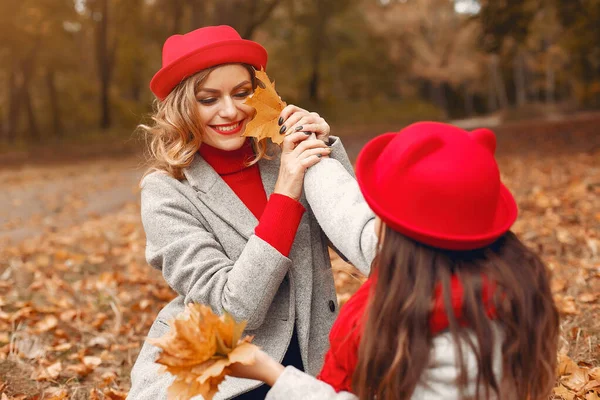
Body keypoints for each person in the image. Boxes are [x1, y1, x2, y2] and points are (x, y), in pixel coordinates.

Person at [127, 25, 375, 399]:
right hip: (226, 370)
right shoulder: (166, 191)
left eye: (242, 93)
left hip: (314, 355)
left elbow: (360, 245)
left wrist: (326, 153)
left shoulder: (284, 154)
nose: (231, 111)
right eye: (209, 99)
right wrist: (287, 190)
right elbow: (234, 313)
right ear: (181, 106)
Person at [230, 122, 560, 400]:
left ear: (398, 237)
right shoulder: (490, 289)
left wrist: (273, 373)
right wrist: (310, 143)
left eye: (379, 214)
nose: (371, 221)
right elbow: (345, 207)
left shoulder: (452, 350)